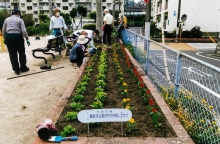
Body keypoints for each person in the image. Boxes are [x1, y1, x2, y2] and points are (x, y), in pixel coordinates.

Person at [2, 9, 30, 75]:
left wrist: (5, 38)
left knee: (12, 54)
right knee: (21, 53)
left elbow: (3, 29)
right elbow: (23, 31)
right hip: (18, 37)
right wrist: (27, 39)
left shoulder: (6, 19)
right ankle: (23, 68)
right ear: (18, 14)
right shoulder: (20, 20)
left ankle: (16, 70)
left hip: (9, 37)